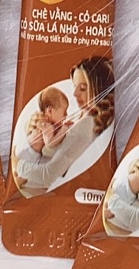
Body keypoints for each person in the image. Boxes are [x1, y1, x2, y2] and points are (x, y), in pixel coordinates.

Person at [12, 56, 114, 194]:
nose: (75, 93)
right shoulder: (81, 116)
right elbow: (56, 152)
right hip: (30, 179)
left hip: (35, 191)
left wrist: (17, 164)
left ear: (98, 90)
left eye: (83, 88)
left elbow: (48, 175)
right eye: (75, 86)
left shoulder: (84, 128)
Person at [26, 86, 71, 153]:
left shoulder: (49, 122)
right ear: (50, 111)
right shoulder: (45, 124)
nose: (66, 115)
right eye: (64, 112)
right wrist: (64, 128)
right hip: (30, 153)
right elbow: (50, 143)